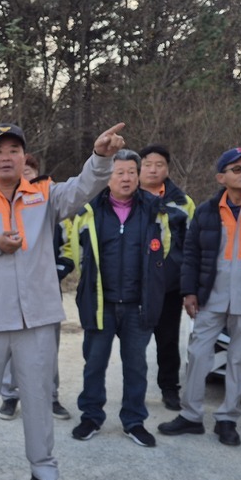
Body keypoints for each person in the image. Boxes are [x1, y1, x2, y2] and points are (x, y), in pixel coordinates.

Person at [0, 121, 127, 480]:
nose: (6, 157)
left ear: (23, 157)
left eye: (13, 150)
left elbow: (84, 188)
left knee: (39, 399)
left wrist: (100, 157)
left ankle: (43, 473)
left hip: (37, 319)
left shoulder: (45, 194)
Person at [158, 147, 241, 446]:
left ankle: (227, 418)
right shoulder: (205, 211)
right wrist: (189, 291)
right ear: (221, 177)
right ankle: (191, 416)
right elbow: (191, 255)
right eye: (237, 169)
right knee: (198, 354)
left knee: (239, 359)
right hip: (210, 296)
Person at [70, 149, 170, 448]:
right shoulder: (89, 211)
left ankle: (134, 421)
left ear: (138, 176)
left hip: (138, 305)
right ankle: (91, 416)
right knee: (94, 364)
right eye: (119, 172)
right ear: (107, 177)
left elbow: (163, 251)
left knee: (136, 367)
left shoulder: (154, 210)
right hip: (101, 303)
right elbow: (76, 252)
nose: (125, 178)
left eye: (131, 172)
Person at [0, 152, 74, 421]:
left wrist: (55, 272)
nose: (25, 174)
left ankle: (50, 396)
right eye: (22, 170)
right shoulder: (2, 205)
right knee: (10, 346)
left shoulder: (50, 203)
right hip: (9, 291)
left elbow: (68, 248)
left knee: (47, 347)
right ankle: (10, 396)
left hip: (45, 292)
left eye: (29, 170)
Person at [138, 144, 195, 411]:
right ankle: (134, 390)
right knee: (134, 342)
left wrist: (188, 284)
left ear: (167, 169)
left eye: (159, 164)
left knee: (168, 340)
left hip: (169, 286)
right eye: (147, 164)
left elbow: (193, 246)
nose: (153, 169)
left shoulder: (183, 202)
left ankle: (169, 388)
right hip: (136, 284)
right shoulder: (126, 197)